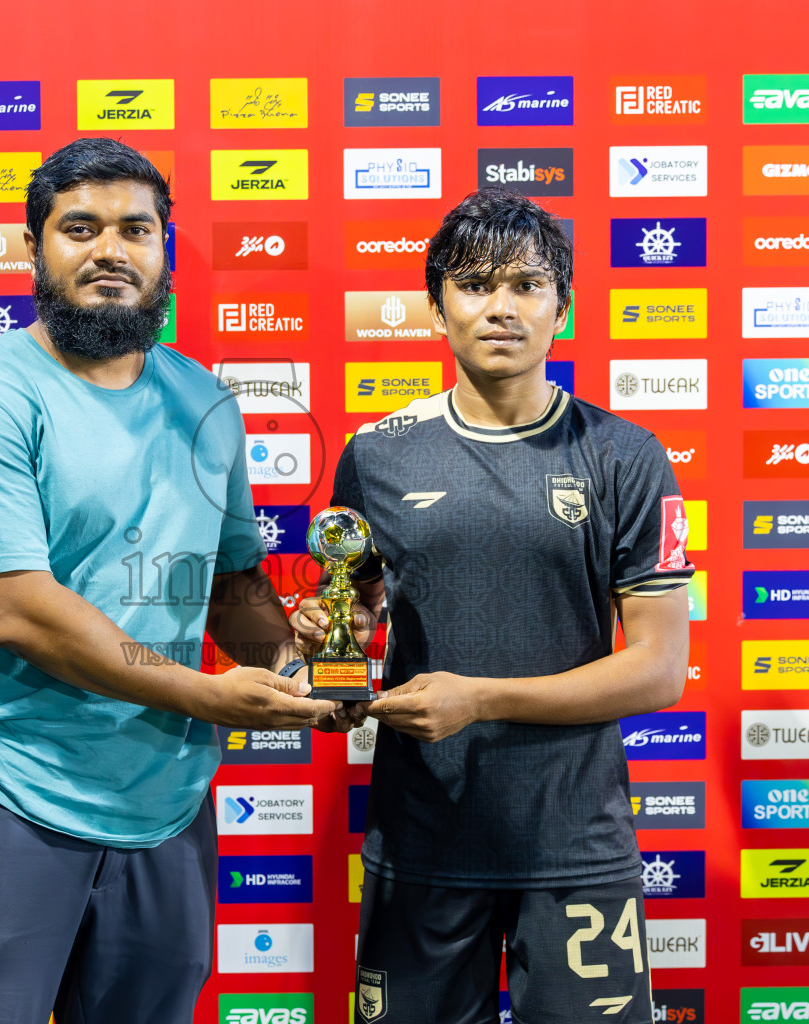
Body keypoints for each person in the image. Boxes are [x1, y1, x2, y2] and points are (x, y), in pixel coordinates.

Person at [0, 137, 339, 1024]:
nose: (111, 250)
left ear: (164, 249)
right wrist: (205, 694)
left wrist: (303, 665)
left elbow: (230, 584)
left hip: (165, 805)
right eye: (80, 228)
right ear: (34, 249)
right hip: (8, 789)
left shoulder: (204, 402)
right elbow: (21, 611)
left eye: (135, 229)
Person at [291, 187, 694, 1024]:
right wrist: (335, 637)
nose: (500, 307)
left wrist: (482, 698)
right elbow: (357, 613)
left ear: (564, 308)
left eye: (525, 285)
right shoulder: (376, 457)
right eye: (475, 285)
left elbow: (659, 672)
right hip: (423, 838)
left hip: (576, 842)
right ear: (437, 308)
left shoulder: (627, 456)